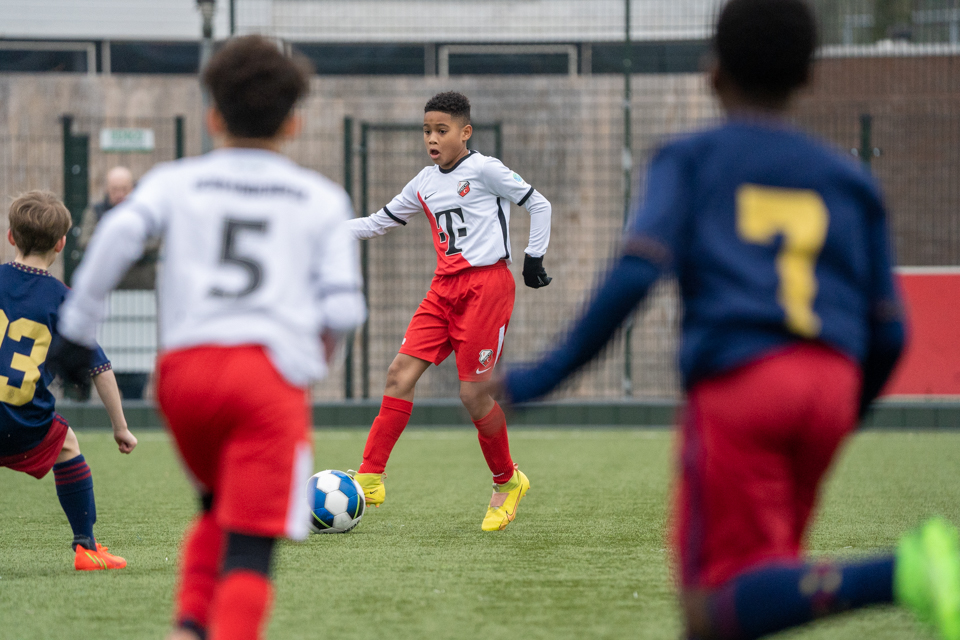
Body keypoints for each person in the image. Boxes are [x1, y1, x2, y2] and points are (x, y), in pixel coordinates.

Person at [494, 1, 960, 638]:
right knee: (767, 583)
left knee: (712, 605)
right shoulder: (851, 181)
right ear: (808, 76)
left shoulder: (692, 157)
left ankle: (899, 573)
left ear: (713, 72)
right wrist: (844, 406)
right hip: (831, 386)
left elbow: (637, 273)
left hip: (745, 385)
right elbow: (892, 330)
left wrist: (541, 377)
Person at [49, 36, 366, 640]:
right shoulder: (322, 199)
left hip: (185, 377)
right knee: (251, 547)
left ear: (213, 116)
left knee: (216, 509)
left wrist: (76, 332)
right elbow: (345, 310)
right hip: (266, 379)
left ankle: (189, 627)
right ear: (294, 124)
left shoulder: (177, 182)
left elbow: (116, 237)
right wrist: (309, 365)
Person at [346, 91, 553, 531]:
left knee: (473, 396)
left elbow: (539, 204)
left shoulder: (485, 169)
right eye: (427, 131)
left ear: (465, 132)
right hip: (443, 290)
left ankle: (508, 481)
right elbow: (376, 222)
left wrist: (533, 258)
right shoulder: (423, 182)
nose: (432, 139)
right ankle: (371, 475)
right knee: (399, 374)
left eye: (442, 130)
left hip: (486, 288)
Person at [0, 190, 137, 571]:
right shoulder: (64, 300)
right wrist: (120, 427)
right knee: (67, 445)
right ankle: (86, 548)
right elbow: (99, 368)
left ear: (10, 236)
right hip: (23, 423)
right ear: (61, 244)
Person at [81, 165, 157, 400]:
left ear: (132, 188)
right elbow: (85, 241)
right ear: (107, 190)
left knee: (138, 355)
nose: (120, 194)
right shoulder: (96, 211)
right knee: (109, 354)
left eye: (124, 188)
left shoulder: (145, 211)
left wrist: (116, 248)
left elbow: (155, 240)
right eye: (115, 189)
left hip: (140, 298)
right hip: (109, 298)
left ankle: (135, 397)